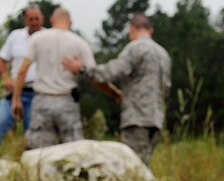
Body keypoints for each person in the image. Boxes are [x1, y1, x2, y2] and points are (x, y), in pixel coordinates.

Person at [62, 13, 171, 164]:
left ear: (132, 29)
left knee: (132, 165)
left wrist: (83, 69)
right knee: (144, 164)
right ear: (150, 30)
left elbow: (111, 72)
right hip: (156, 119)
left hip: (136, 118)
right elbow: (166, 88)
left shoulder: (135, 48)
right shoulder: (163, 54)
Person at [12, 8, 105, 149]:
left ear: (51, 20)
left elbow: (22, 70)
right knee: (73, 149)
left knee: (38, 150)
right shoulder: (80, 43)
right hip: (67, 101)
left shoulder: (37, 38)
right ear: (70, 22)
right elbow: (94, 74)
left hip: (42, 100)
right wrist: (115, 93)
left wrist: (16, 99)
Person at [0, 6, 44, 148]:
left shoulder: (49, 37)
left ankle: (30, 158)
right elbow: (2, 59)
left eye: (37, 19)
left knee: (32, 132)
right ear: (25, 20)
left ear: (42, 19)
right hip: (13, 92)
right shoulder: (15, 36)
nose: (34, 22)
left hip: (38, 92)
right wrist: (6, 78)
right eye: (31, 19)